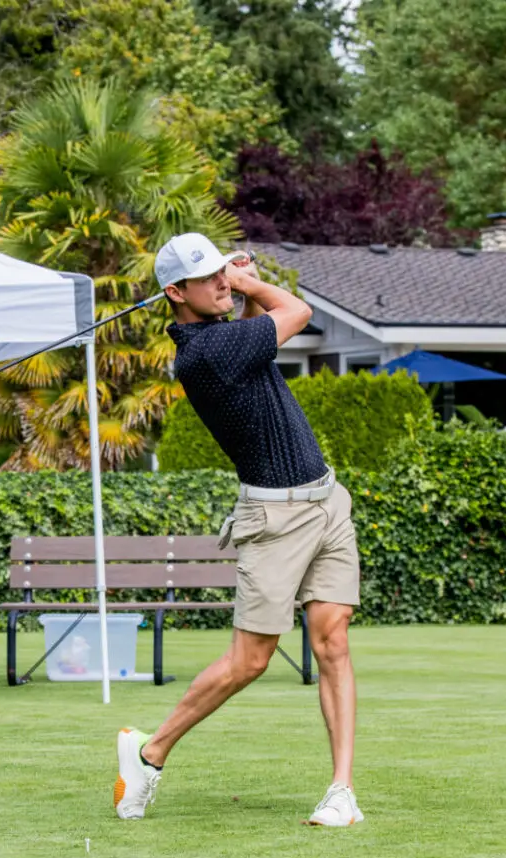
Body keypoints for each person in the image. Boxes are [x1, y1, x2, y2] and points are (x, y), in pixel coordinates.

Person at [114, 233, 362, 827]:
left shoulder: (227, 337)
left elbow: (262, 334)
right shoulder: (203, 353)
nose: (224, 283)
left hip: (327, 501)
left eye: (224, 273)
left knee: (332, 642)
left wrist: (241, 290)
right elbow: (296, 312)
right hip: (273, 519)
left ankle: (341, 791)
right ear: (175, 293)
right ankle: (150, 753)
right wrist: (253, 283)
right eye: (211, 279)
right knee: (251, 660)